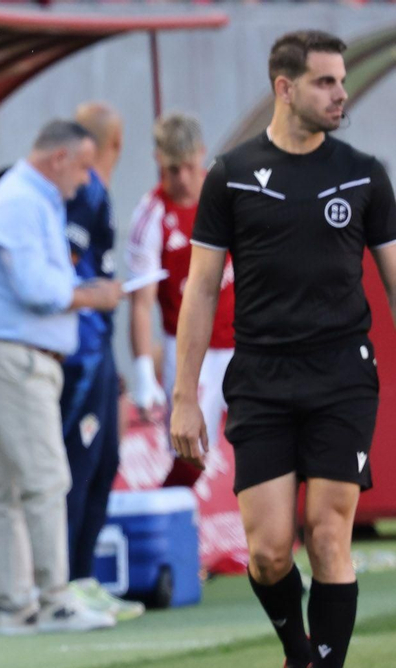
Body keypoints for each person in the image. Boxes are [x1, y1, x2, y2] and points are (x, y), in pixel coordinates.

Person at [171, 30, 396, 668]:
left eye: (342, 82)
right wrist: (183, 396)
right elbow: (200, 289)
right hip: (262, 382)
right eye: (326, 82)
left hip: (341, 378)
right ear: (285, 87)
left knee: (330, 535)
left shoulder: (365, 173)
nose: (341, 94)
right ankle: (298, 659)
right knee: (269, 554)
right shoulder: (232, 175)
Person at [0, 121, 123, 635]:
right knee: (45, 478)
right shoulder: (19, 201)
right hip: (17, 357)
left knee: (15, 486)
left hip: (25, 357)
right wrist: (92, 294)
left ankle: (17, 604)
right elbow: (37, 288)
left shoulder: (32, 198)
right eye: (82, 166)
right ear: (58, 157)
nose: (84, 182)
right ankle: (55, 598)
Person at [59, 102, 143, 622]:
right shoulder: (84, 189)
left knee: (105, 460)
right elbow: (62, 269)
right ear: (117, 142)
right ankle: (66, 581)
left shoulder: (97, 189)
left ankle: (85, 576)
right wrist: (99, 294)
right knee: (81, 463)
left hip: (100, 345)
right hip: (82, 349)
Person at [125, 113, 238, 490]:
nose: (183, 179)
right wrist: (143, 371)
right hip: (190, 350)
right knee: (191, 451)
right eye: (173, 170)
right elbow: (140, 302)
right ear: (159, 160)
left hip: (244, 341)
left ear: (203, 155)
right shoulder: (151, 215)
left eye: (190, 167)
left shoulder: (229, 196)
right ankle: (172, 533)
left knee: (265, 441)